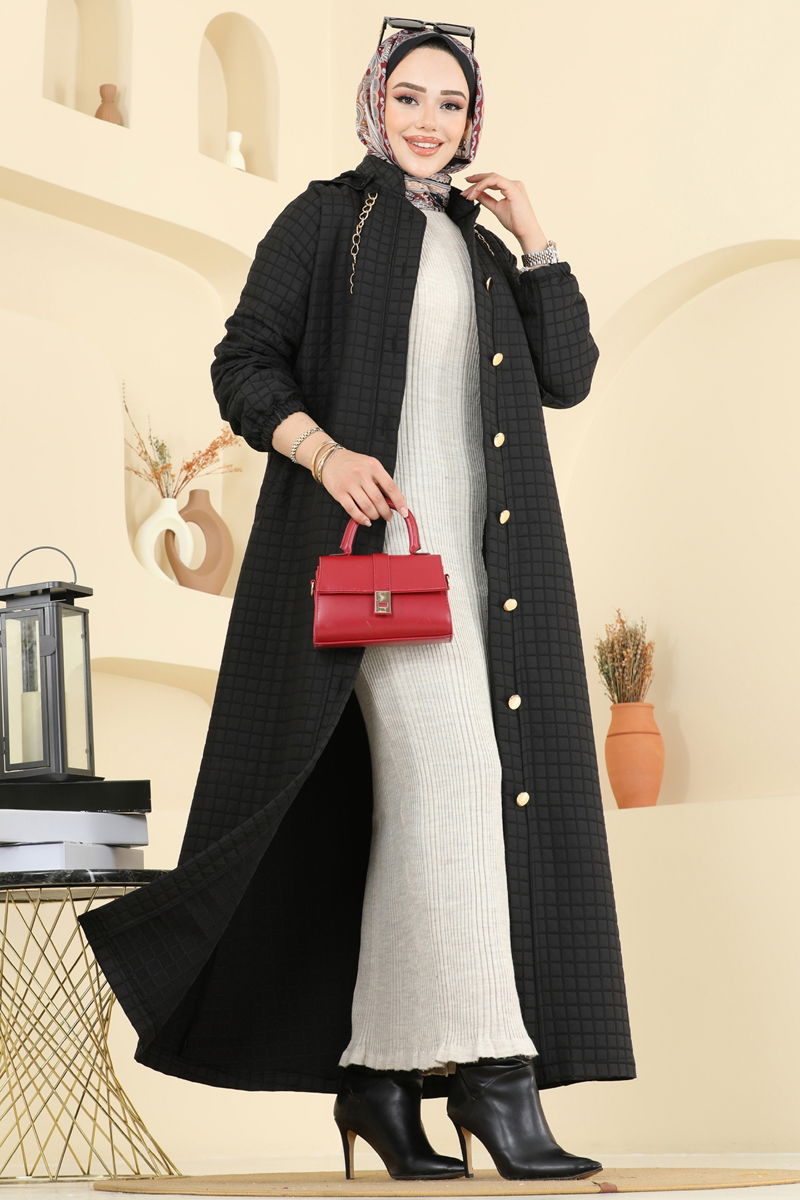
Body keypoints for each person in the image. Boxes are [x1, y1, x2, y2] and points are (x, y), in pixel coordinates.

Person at [78, 18, 637, 1187]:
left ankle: (379, 1079)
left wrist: (536, 238)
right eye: (408, 96)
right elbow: (242, 361)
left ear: (472, 122)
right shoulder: (326, 220)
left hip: (490, 584)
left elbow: (569, 375)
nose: (428, 120)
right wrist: (325, 453)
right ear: (373, 101)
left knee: (431, 815)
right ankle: (494, 1076)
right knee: (461, 787)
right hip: (374, 573)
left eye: (450, 103)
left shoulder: (481, 247)